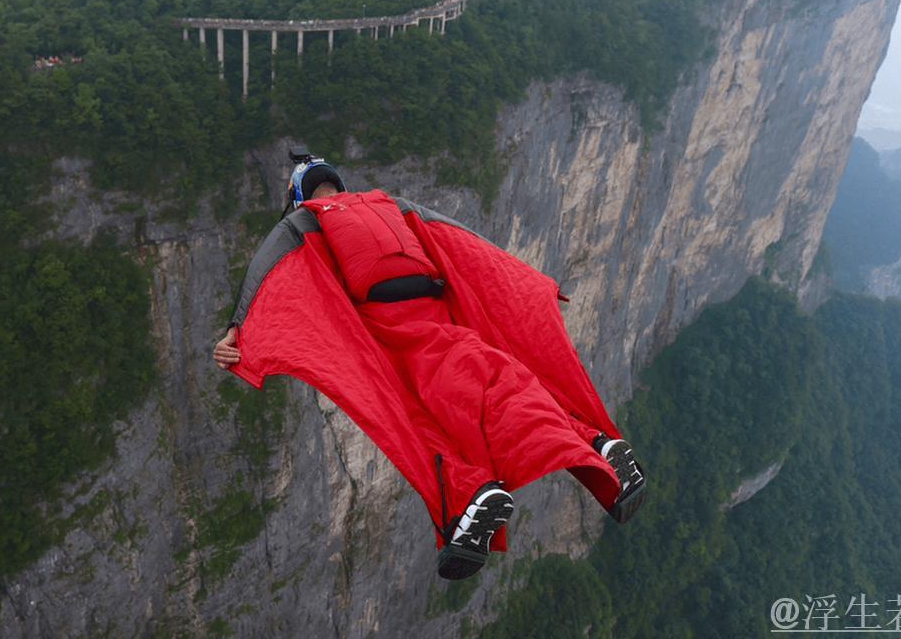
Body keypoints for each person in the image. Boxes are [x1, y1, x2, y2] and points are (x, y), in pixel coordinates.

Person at [213, 150, 647, 580]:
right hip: (436, 310)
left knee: (416, 419)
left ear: (297, 195)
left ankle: (470, 497)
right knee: (496, 383)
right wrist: (522, 280)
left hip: (393, 326)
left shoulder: (305, 220)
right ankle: (595, 445)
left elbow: (268, 265)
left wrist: (239, 325)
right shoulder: (389, 204)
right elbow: (459, 237)